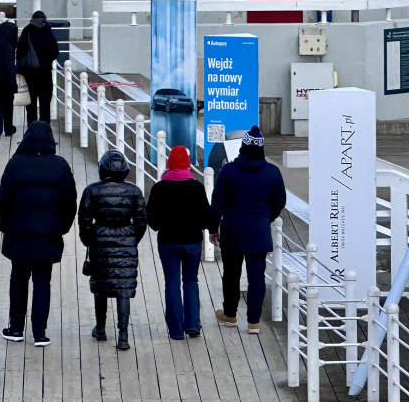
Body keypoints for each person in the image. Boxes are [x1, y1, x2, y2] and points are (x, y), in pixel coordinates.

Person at [0, 121, 77, 348]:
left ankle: (15, 328)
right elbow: (70, 202)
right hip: (48, 233)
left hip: (18, 232)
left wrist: (5, 226)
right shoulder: (60, 165)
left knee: (19, 278)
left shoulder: (15, 164)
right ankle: (39, 333)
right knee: (43, 280)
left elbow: (3, 200)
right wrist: (62, 226)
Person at [208, 125, 286, 335]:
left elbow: (217, 203)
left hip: (233, 229)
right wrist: (265, 218)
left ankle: (230, 314)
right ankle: (253, 322)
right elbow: (280, 201)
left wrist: (213, 228)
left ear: (243, 148)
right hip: (258, 231)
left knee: (231, 275)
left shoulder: (229, 170)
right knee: (256, 277)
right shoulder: (272, 172)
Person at [79, 149, 148, 351]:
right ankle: (123, 335)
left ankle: (101, 329)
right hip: (126, 240)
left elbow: (84, 219)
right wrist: (133, 238)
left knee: (100, 285)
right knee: (123, 288)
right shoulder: (133, 191)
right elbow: (142, 221)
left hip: (100, 240)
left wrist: (88, 240)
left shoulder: (92, 190)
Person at [146, 145, 210, 340]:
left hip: (168, 241)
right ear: (188, 165)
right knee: (191, 281)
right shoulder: (197, 187)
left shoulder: (159, 188)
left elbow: (151, 217)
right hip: (192, 241)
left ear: (169, 164)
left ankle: (175, 330)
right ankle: (192, 325)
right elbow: (206, 217)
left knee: (172, 283)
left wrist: (159, 227)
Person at [16, 10, 60, 123]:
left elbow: (20, 51)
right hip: (45, 73)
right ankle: (45, 131)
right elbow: (55, 52)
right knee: (45, 105)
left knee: (31, 105)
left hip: (29, 74)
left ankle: (32, 129)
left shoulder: (27, 30)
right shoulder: (48, 31)